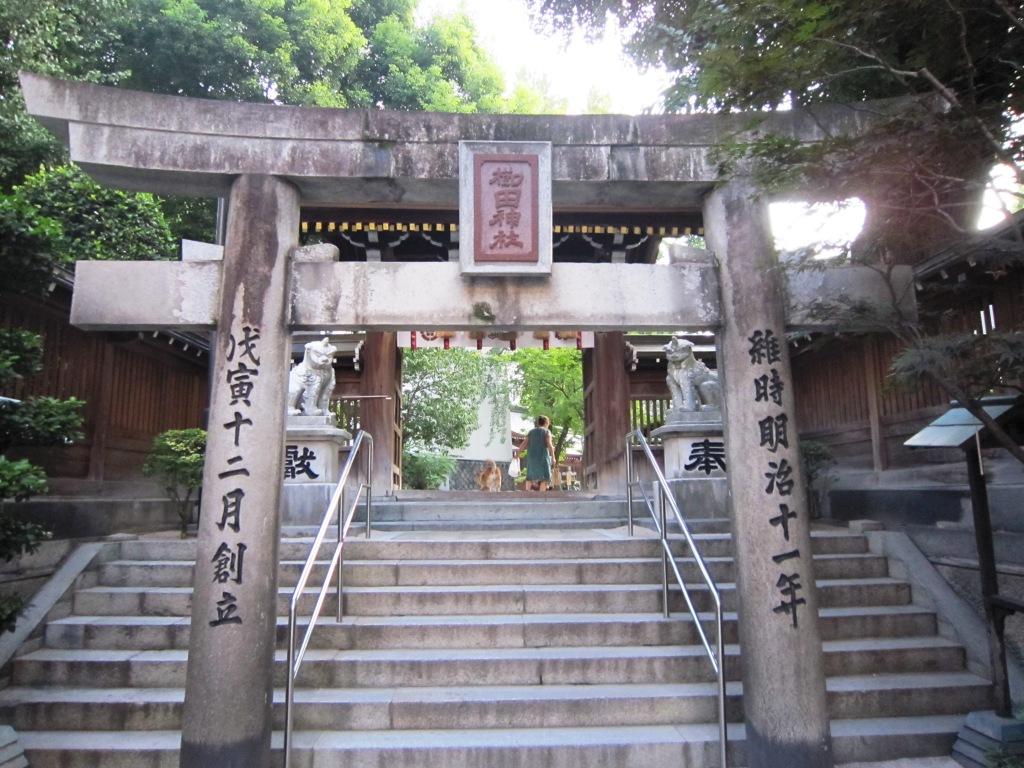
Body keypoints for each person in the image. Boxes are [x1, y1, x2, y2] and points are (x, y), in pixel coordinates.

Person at [516, 415, 556, 492]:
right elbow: (549, 445)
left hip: (532, 458)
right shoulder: (547, 431)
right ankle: (541, 495)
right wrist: (553, 457)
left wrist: (517, 454)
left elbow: (524, 444)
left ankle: (527, 493)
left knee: (530, 477)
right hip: (542, 458)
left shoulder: (531, 432)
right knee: (544, 477)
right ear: (546, 423)